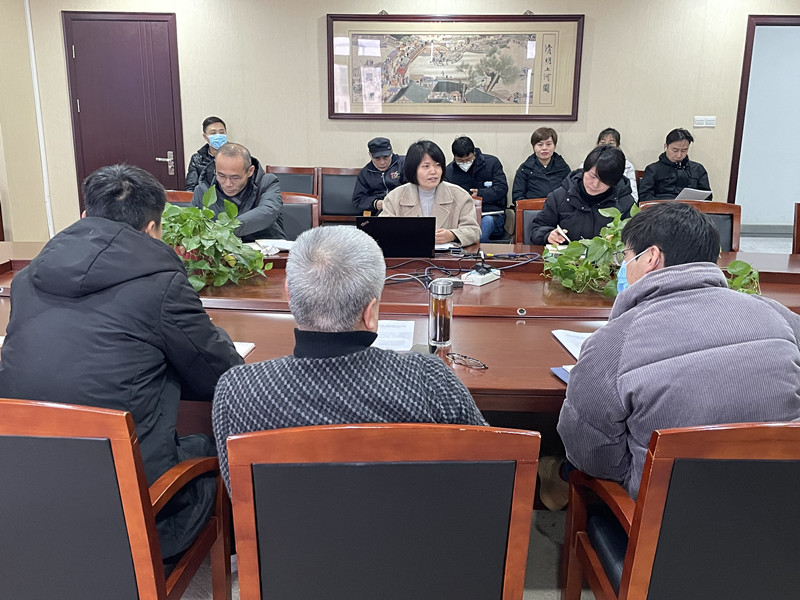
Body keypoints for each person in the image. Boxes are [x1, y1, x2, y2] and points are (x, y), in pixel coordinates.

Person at [0, 164, 244, 562]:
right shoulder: (161, 283)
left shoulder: (26, 280)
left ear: (84, 216)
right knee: (211, 441)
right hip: (129, 520)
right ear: (151, 229)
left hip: (27, 501)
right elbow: (221, 373)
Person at [541, 202, 800, 509]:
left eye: (626, 256)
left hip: (666, 524)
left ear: (651, 257)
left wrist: (633, 474)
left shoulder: (613, 343)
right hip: (781, 509)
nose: (624, 267)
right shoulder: (777, 315)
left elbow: (592, 456)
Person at [212, 226, 487, 491]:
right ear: (370, 313)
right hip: (412, 523)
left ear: (289, 294)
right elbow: (490, 469)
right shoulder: (429, 378)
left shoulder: (237, 389)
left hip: (286, 526)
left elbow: (239, 492)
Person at [529, 145, 636, 245]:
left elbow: (635, 239)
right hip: (567, 257)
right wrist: (548, 235)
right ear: (584, 170)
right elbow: (537, 229)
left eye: (604, 181)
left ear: (614, 182)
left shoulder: (625, 202)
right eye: (592, 176)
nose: (595, 184)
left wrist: (620, 240)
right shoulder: (560, 196)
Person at [380, 140, 481, 246]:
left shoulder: (460, 195)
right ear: (413, 169)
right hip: (407, 253)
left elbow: (474, 231)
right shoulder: (394, 197)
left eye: (437, 165)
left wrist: (452, 235)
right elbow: (382, 230)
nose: (433, 171)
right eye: (426, 166)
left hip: (446, 255)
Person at [192, 142, 285, 241]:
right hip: (220, 249)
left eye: (235, 177)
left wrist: (226, 229)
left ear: (250, 171)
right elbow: (193, 226)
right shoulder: (202, 190)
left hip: (265, 247)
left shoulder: (267, 183)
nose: (228, 184)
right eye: (221, 176)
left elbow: (268, 211)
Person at [445, 136, 509, 243]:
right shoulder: (449, 172)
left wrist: (480, 194)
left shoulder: (492, 163)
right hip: (464, 218)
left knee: (485, 224)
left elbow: (501, 189)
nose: (465, 163)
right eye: (460, 161)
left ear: (474, 153)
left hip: (491, 214)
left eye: (468, 159)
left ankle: (476, 252)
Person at [639, 128, 711, 200]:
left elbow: (707, 196)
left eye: (684, 150)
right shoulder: (653, 170)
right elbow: (644, 196)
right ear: (666, 146)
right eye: (675, 150)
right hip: (662, 206)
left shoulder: (697, 169)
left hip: (691, 206)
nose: (679, 155)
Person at [512, 127, 571, 203]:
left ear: (554, 146)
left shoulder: (563, 167)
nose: (544, 148)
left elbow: (570, 192)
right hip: (532, 208)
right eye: (540, 145)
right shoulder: (525, 169)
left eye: (548, 144)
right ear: (533, 147)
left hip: (558, 208)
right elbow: (518, 196)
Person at [579, 128, 638, 202]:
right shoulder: (588, 162)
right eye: (602, 143)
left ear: (617, 146)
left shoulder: (627, 166)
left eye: (611, 144)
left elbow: (633, 196)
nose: (606, 146)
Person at [352, 137, 405, 215]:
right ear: (370, 155)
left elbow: (413, 190)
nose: (382, 162)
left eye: (386, 157)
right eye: (377, 158)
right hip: (378, 212)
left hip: (403, 209)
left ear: (391, 152)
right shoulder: (365, 173)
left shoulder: (403, 164)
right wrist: (376, 203)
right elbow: (358, 200)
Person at [184, 116, 227, 191]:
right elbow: (191, 187)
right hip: (204, 197)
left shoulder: (237, 156)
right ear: (205, 136)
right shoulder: (197, 159)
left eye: (221, 132)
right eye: (213, 133)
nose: (218, 136)